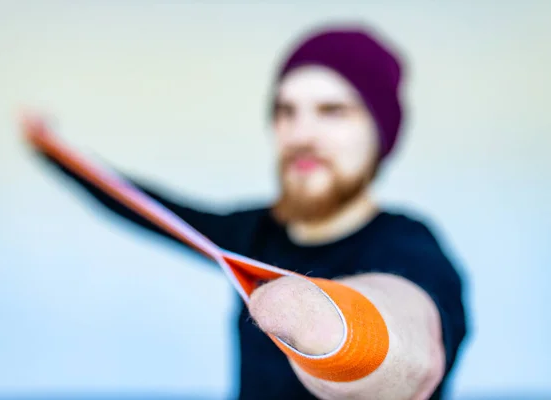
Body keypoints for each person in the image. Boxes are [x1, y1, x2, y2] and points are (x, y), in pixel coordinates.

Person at [28, 24, 469, 400]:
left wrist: (344, 336)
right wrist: (53, 151)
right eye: (285, 111)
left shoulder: (409, 244)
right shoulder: (254, 232)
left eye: (333, 111)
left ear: (380, 137)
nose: (301, 133)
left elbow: (416, 341)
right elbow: (146, 208)